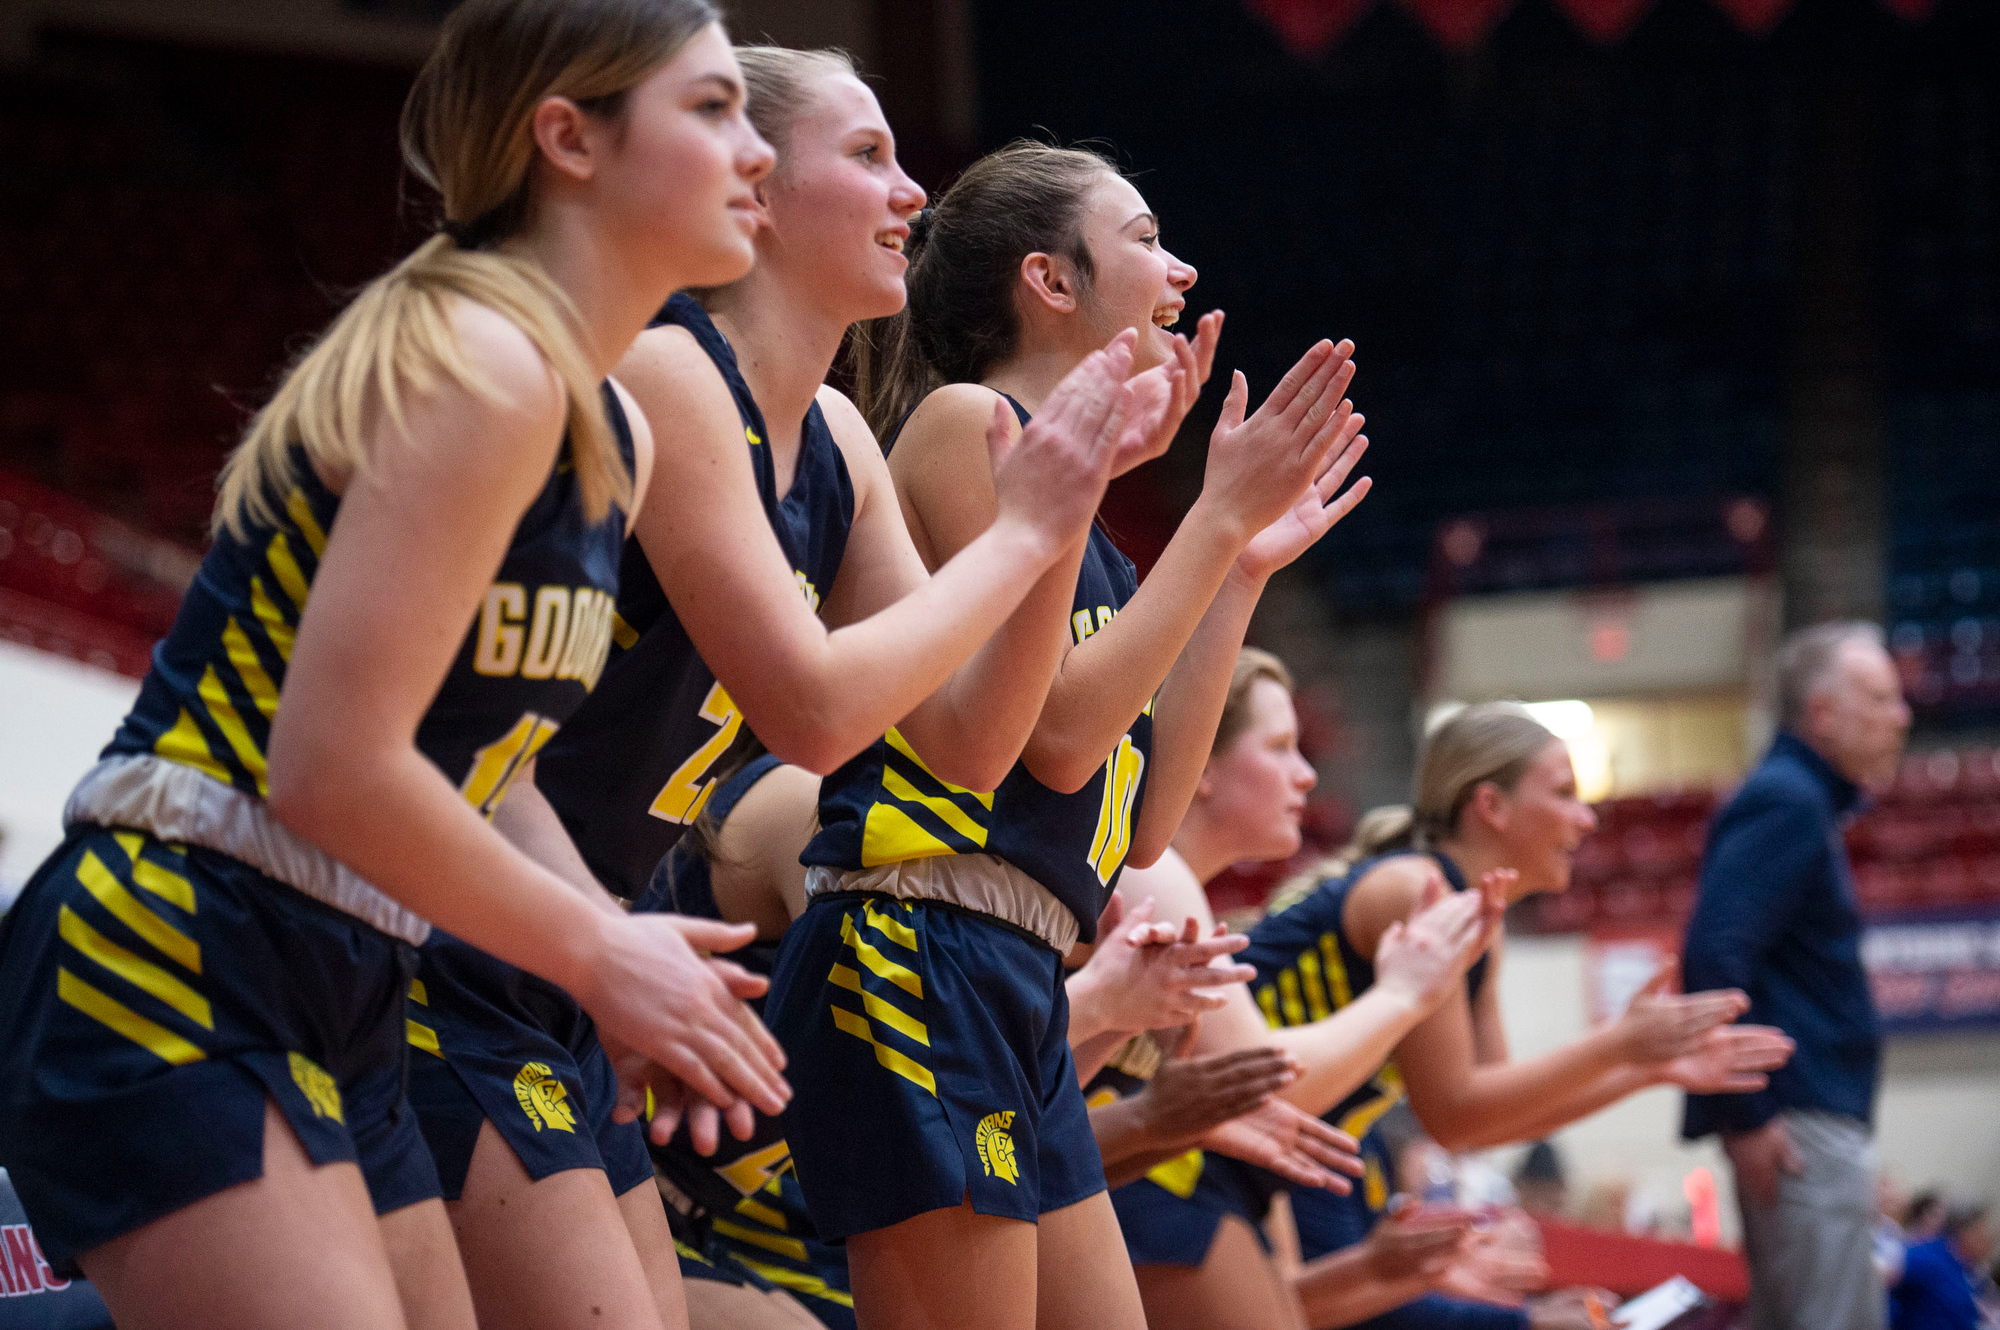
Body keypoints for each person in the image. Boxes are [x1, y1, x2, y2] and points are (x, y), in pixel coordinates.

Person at [0, 2, 782, 1324]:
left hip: (348, 963)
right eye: (712, 107)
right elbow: (329, 766)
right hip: (178, 931)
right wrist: (597, 949)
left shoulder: (608, 432)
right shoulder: (484, 362)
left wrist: (630, 957)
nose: (752, 147)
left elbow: (488, 770)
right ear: (568, 140)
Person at [404, 44, 1187, 1330]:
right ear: (757, 190)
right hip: (466, 924)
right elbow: (812, 713)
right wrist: (1025, 529)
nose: (912, 196)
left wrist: (1063, 503)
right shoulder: (669, 369)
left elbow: (969, 745)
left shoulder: (833, 438)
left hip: (575, 947)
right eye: (869, 156)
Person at [767, 140, 1375, 1330]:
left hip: (1020, 968)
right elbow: (1051, 738)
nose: (1180, 267)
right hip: (918, 938)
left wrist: (1236, 564)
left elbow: (1144, 826)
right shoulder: (962, 424)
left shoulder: (1095, 537)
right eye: (1145, 238)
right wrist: (1209, 517)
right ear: (1050, 282)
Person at [1126, 697, 1793, 1330]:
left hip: (1260, 1154)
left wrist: (1646, 1068)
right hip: (1189, 1147)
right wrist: (1621, 1047)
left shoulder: (1475, 918)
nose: (1586, 817)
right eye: (1562, 792)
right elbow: (1454, 1109)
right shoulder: (1420, 891)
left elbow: (1486, 1118)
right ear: (1491, 805)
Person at [641, 736, 1329, 1329]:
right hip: (687, 1205)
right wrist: (1405, 993)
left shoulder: (1039, 896)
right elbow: (934, 1085)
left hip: (737, 1217)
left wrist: (1139, 1094)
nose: (1306, 773)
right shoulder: (848, 827)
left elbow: (996, 1128)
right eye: (1276, 746)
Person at [1681, 620, 1913, 1330]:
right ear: (1823, 713)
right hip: (1796, 1120)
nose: (1901, 715)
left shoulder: (1798, 799)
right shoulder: (1788, 799)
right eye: (1880, 697)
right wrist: (1747, 1114)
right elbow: (1713, 954)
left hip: (1799, 1116)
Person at [1891, 1205, 1995, 1330]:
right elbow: (1883, 1275)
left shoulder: (1967, 1268)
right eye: (1985, 1237)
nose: (1989, 1245)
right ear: (1969, 1234)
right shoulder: (1929, 1258)